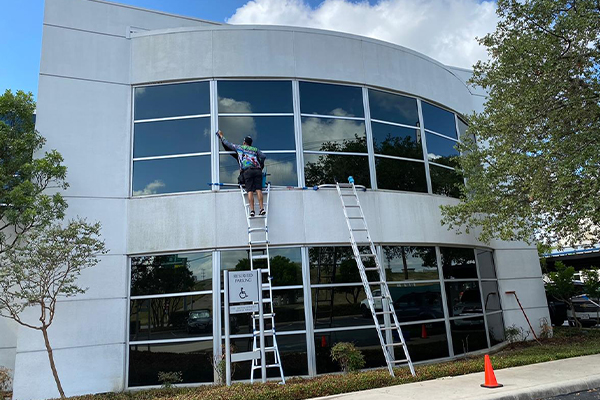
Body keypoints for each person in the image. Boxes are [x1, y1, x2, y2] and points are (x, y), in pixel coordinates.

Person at [216, 130, 267, 217]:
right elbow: (263, 156)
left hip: (247, 171)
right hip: (257, 170)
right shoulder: (255, 149)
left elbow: (227, 144)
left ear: (244, 142)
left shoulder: (240, 147)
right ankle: (262, 208)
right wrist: (260, 165)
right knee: (259, 189)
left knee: (250, 190)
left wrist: (221, 136)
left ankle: (252, 210)